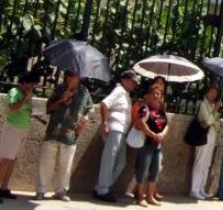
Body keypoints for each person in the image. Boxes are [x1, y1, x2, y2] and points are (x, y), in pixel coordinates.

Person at [35, 72, 92, 201]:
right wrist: (62, 99)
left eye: (78, 76)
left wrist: (86, 118)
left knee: (66, 164)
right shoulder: (59, 89)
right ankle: (41, 190)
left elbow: (89, 108)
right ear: (68, 77)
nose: (77, 78)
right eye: (74, 76)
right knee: (46, 162)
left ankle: (61, 191)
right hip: (54, 131)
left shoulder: (84, 91)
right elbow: (49, 108)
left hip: (71, 133)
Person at [94, 70, 138, 203]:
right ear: (124, 80)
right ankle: (102, 190)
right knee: (110, 160)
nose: (134, 84)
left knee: (121, 162)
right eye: (132, 81)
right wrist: (105, 123)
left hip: (121, 132)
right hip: (115, 130)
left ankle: (101, 187)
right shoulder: (118, 91)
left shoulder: (125, 94)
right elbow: (104, 104)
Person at [0, 73, 39, 202]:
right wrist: (25, 99)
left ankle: (3, 188)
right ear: (23, 82)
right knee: (6, 160)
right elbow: (13, 108)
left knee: (12, 160)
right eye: (29, 83)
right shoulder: (14, 92)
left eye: (33, 84)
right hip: (12, 129)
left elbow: (26, 110)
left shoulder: (29, 95)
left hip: (22, 129)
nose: (31, 86)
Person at [134, 87, 169, 207]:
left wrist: (162, 134)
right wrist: (153, 135)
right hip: (146, 144)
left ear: (161, 97)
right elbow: (140, 123)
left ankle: (150, 196)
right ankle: (139, 197)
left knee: (155, 170)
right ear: (149, 95)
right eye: (153, 93)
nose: (155, 95)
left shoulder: (161, 111)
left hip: (157, 146)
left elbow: (166, 125)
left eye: (158, 94)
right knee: (142, 171)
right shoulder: (145, 109)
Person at [189, 84, 221, 200]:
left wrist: (211, 120)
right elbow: (207, 120)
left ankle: (201, 188)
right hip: (202, 136)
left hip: (212, 137)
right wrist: (213, 115)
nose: (213, 94)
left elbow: (217, 125)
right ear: (206, 93)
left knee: (206, 164)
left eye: (215, 92)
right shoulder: (203, 104)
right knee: (199, 162)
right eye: (211, 91)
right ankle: (194, 189)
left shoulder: (213, 106)